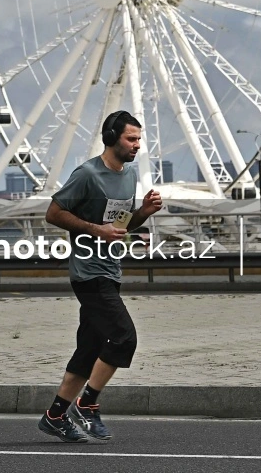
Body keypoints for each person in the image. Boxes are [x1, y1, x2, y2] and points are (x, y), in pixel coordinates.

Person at [37, 110, 163, 443]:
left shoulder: (130, 175)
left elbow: (119, 227)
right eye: (131, 138)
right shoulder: (87, 175)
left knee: (89, 348)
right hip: (88, 274)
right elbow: (53, 213)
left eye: (139, 139)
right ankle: (88, 403)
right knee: (124, 337)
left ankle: (55, 416)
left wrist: (143, 214)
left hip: (110, 271)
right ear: (110, 137)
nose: (137, 145)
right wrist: (95, 229)